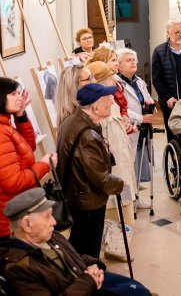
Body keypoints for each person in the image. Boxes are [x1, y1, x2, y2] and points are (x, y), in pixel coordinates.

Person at [0, 187, 154, 295]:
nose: (54, 221)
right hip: (85, 287)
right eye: (47, 217)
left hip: (88, 284)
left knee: (140, 290)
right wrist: (88, 280)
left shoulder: (49, 236)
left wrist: (93, 265)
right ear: (27, 224)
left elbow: (74, 257)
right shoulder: (17, 267)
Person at [56, 83, 124, 258]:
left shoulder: (72, 121)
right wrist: (120, 184)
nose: (112, 102)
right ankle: (89, 273)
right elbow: (100, 179)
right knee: (89, 247)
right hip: (88, 200)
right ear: (94, 106)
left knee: (79, 241)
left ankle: (79, 269)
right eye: (107, 99)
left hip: (76, 195)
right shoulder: (87, 135)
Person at [0, 77, 56, 242]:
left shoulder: (6, 124)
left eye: (19, 93)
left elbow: (28, 146)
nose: (19, 97)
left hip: (17, 211)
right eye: (13, 94)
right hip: (10, 220)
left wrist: (21, 116)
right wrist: (44, 165)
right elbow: (13, 182)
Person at [87, 61, 141, 223]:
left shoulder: (111, 101)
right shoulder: (97, 107)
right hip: (113, 171)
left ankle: (127, 228)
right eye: (111, 76)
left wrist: (125, 126)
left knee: (127, 208)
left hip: (123, 165)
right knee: (116, 217)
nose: (114, 79)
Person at [116, 49, 155, 183]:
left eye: (134, 60)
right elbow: (121, 109)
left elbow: (147, 96)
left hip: (142, 127)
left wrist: (149, 101)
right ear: (119, 66)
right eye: (128, 60)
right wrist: (141, 118)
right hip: (129, 125)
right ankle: (133, 190)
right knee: (130, 162)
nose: (133, 62)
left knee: (140, 158)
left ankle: (137, 186)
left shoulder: (139, 81)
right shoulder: (117, 83)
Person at [87, 46, 136, 135]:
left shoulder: (117, 83)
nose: (117, 63)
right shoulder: (101, 87)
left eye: (117, 60)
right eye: (113, 60)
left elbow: (122, 105)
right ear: (103, 62)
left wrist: (124, 118)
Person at [55, 63, 95, 128]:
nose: (94, 81)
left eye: (92, 76)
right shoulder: (76, 121)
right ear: (75, 87)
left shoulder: (86, 111)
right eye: (88, 78)